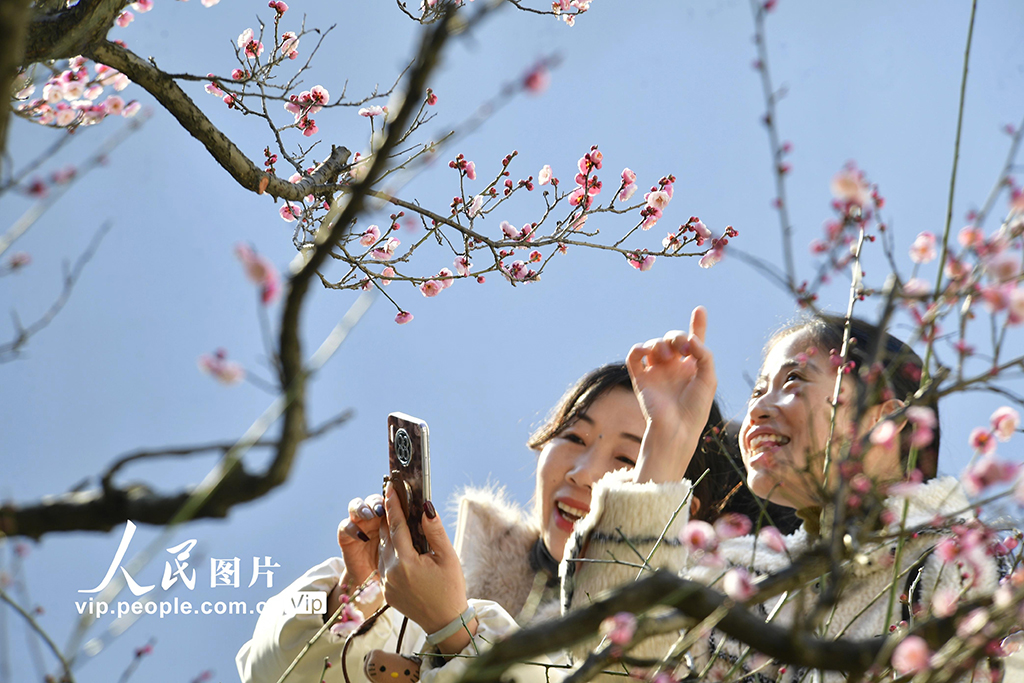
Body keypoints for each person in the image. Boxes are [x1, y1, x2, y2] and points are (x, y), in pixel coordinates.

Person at [236, 362, 773, 683]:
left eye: (627, 462)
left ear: (682, 504)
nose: (585, 473)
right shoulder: (441, 582)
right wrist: (353, 603)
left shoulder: (701, 636)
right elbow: (268, 673)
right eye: (576, 438)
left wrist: (457, 632)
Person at [564, 308, 1002, 681]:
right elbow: (609, 666)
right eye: (757, 390)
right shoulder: (738, 585)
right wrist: (667, 442)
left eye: (793, 380)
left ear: (884, 420)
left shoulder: (962, 567)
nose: (755, 409)